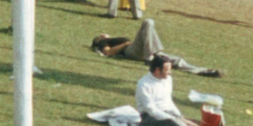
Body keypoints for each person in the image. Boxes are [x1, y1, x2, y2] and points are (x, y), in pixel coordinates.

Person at [135, 55, 212, 126]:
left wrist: (180, 117)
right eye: (167, 70)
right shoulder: (144, 84)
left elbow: (168, 101)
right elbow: (151, 110)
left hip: (167, 114)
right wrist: (173, 118)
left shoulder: (168, 80)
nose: (170, 72)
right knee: (171, 123)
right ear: (157, 70)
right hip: (149, 119)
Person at [91, 19, 221, 76]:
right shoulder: (104, 42)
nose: (102, 34)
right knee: (148, 22)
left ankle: (203, 71)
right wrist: (125, 44)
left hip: (140, 49)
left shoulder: (113, 39)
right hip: (130, 51)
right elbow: (107, 52)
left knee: (176, 61)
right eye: (99, 36)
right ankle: (150, 56)